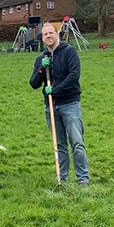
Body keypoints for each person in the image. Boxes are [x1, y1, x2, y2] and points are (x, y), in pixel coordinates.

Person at [30, 23, 90, 187]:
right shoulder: (41, 58)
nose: (48, 36)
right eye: (45, 34)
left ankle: (83, 179)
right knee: (59, 144)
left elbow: (74, 76)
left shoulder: (69, 52)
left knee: (77, 142)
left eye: (51, 33)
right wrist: (42, 70)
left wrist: (55, 90)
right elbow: (33, 84)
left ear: (57, 34)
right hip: (51, 107)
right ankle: (62, 177)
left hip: (70, 103)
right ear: (42, 38)